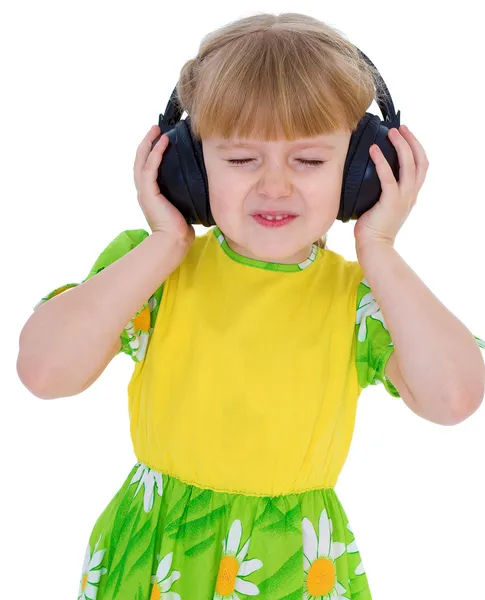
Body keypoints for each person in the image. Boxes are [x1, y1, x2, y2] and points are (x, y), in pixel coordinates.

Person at [17, 12, 485, 600]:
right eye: (241, 160)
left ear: (362, 169)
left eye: (309, 161)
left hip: (291, 563)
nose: (275, 185)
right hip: (158, 557)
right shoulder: (153, 271)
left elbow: (454, 398)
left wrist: (381, 250)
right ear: (185, 166)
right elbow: (44, 372)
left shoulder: (362, 297)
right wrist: (165, 242)